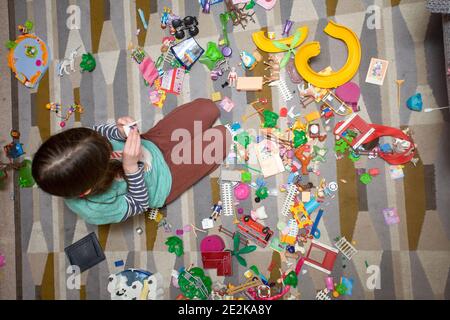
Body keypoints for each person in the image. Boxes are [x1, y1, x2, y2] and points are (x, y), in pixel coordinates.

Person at [32, 98, 231, 225]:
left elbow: (99, 131)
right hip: (164, 181)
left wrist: (119, 131)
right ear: (86, 190)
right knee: (222, 137)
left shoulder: (82, 143)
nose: (110, 147)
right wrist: (131, 168)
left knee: (207, 108)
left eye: (103, 143)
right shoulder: (95, 210)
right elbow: (139, 204)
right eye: (106, 152)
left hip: (152, 142)